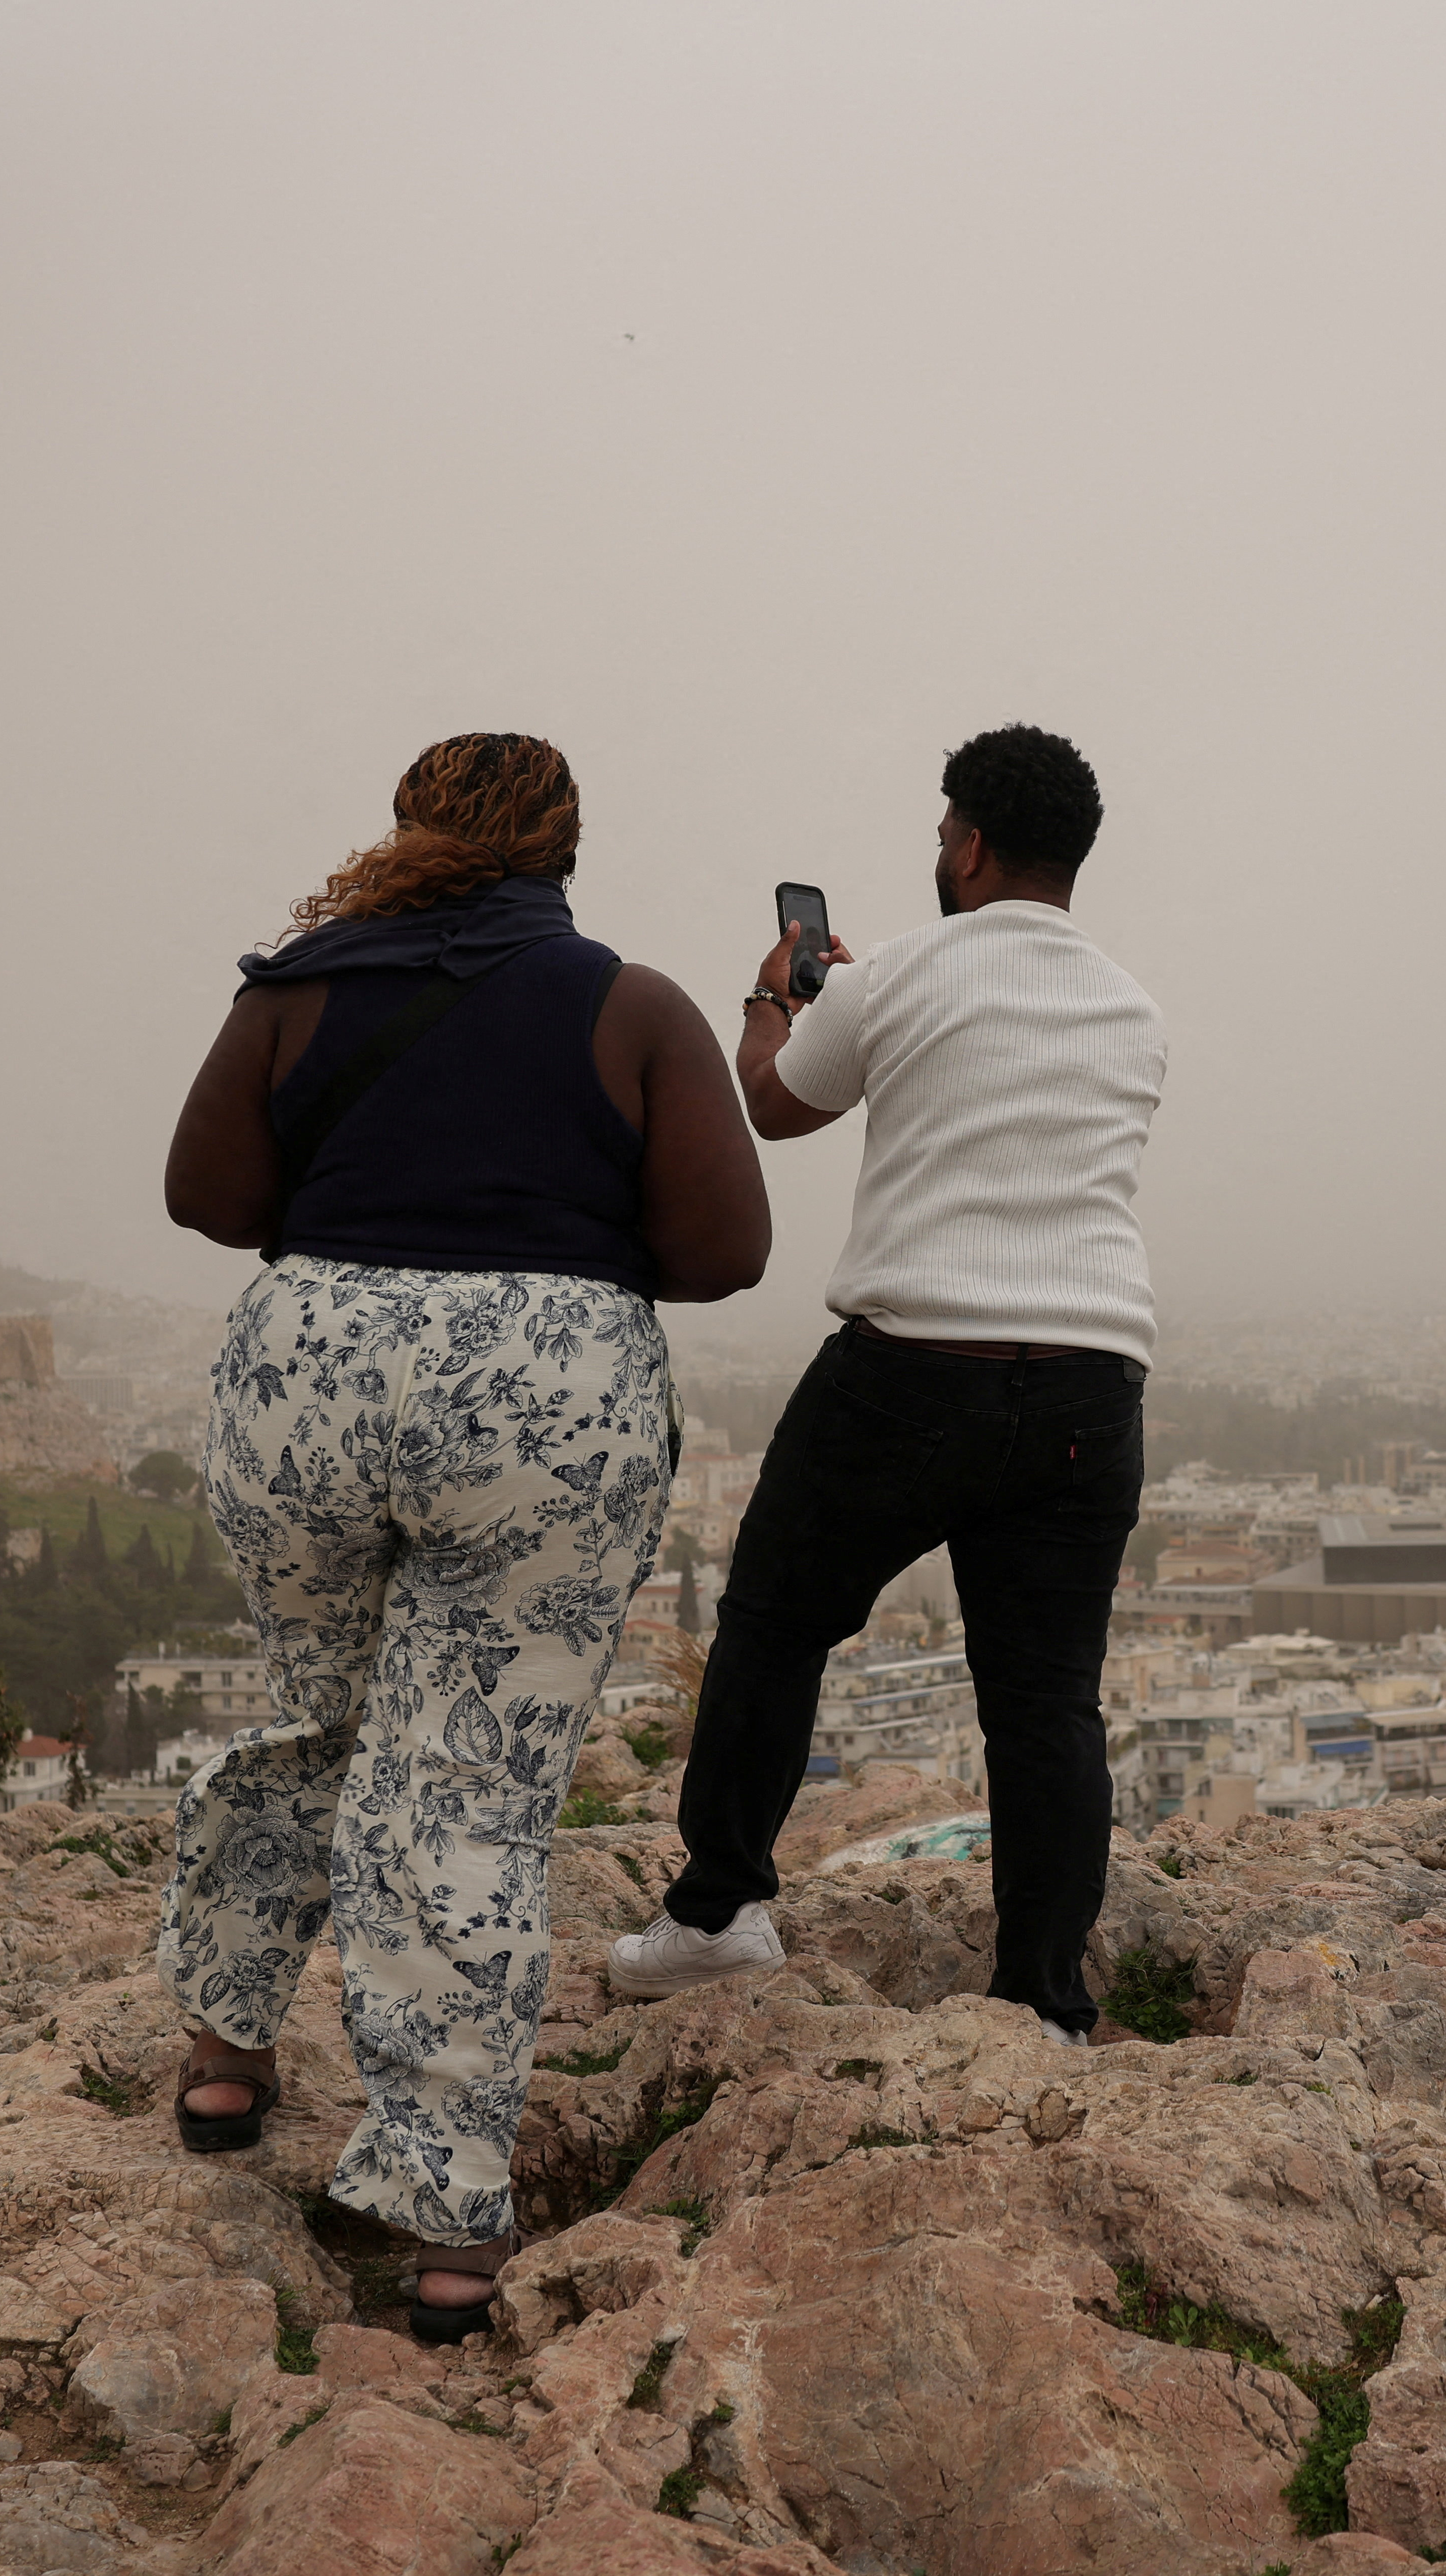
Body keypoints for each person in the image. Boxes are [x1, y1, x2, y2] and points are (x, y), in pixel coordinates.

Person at [156, 732, 767, 2342]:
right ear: (565, 847)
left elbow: (206, 1200)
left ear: (407, 834)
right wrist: (548, 1241)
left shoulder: (294, 988)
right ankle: (442, 2230)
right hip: (543, 1409)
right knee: (465, 1795)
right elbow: (723, 1251)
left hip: (311, 1380)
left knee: (316, 1719)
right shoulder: (630, 1007)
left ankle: (227, 2058)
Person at [612, 725, 1165, 2040]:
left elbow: (777, 1106)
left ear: (967, 841)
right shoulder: (1136, 1012)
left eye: (939, 834)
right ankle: (1045, 2001)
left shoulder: (895, 980)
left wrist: (779, 1002)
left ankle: (717, 1915)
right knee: (1046, 1700)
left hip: (910, 1369)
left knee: (774, 1621)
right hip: (1093, 1378)